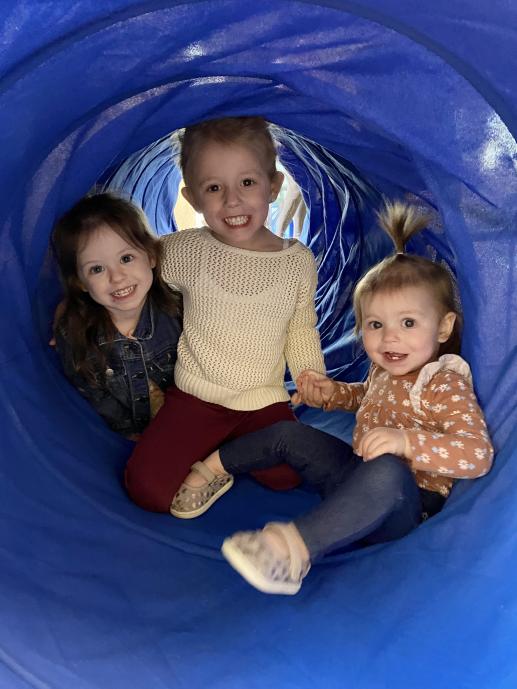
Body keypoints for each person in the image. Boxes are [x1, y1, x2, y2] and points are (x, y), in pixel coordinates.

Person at [177, 201, 494, 595]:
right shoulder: (386, 370)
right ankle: (211, 469)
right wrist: (333, 395)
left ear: (444, 327)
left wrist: (407, 443)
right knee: (288, 433)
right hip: (353, 477)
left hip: (403, 503)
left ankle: (290, 552)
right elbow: (368, 398)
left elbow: (477, 454)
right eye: (376, 324)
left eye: (408, 323)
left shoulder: (443, 382)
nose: (390, 337)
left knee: (390, 469)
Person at [124, 116, 325, 512]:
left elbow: (301, 328)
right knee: (145, 488)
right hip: (196, 397)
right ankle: (223, 452)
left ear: (274, 186)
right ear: (193, 199)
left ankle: (219, 459)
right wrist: (79, 305)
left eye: (247, 183)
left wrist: (310, 373)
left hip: (262, 401)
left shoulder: (297, 262)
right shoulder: (184, 250)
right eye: (214, 188)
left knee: (289, 476)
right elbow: (132, 271)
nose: (232, 200)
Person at [52, 192, 182, 439]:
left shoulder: (176, 311)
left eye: (126, 258)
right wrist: (129, 432)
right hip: (132, 437)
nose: (117, 277)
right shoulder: (76, 334)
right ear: (80, 281)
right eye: (97, 269)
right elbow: (92, 391)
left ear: (151, 256)